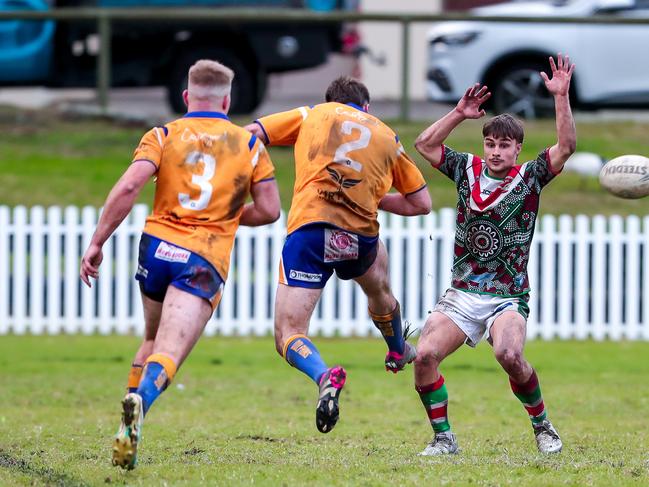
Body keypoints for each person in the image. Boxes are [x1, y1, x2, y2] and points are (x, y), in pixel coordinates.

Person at [79, 59, 281, 469]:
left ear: (188, 97)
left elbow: (131, 185)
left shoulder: (163, 135)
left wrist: (98, 241)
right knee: (169, 353)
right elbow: (271, 210)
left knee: (151, 338)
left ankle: (127, 425)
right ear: (228, 99)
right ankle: (139, 403)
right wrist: (228, 217)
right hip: (203, 257)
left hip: (156, 249)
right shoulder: (248, 145)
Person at [246, 76, 432, 434]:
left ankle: (323, 376)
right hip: (359, 239)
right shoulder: (386, 135)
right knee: (378, 289)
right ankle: (396, 348)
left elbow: (251, 133)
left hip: (310, 233)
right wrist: (373, 197)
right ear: (367, 108)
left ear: (331, 100)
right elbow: (421, 203)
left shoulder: (312, 114)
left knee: (288, 332)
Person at [412, 54, 576, 455]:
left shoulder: (530, 177)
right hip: (463, 292)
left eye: (504, 145)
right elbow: (424, 144)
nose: (496, 151)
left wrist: (561, 97)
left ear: (518, 150)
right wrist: (458, 112)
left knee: (509, 354)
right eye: (490, 143)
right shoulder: (466, 169)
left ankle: (543, 427)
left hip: (507, 294)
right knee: (424, 357)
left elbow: (567, 146)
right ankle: (444, 438)